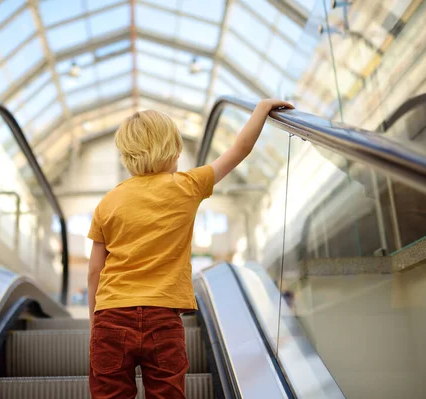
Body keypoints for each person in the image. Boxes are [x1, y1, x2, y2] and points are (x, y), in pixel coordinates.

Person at [87, 99, 293, 398]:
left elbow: (95, 270)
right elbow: (239, 150)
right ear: (173, 148)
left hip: (111, 316)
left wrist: (95, 322)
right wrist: (261, 110)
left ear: (126, 154)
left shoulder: (108, 202)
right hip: (163, 317)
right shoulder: (188, 185)